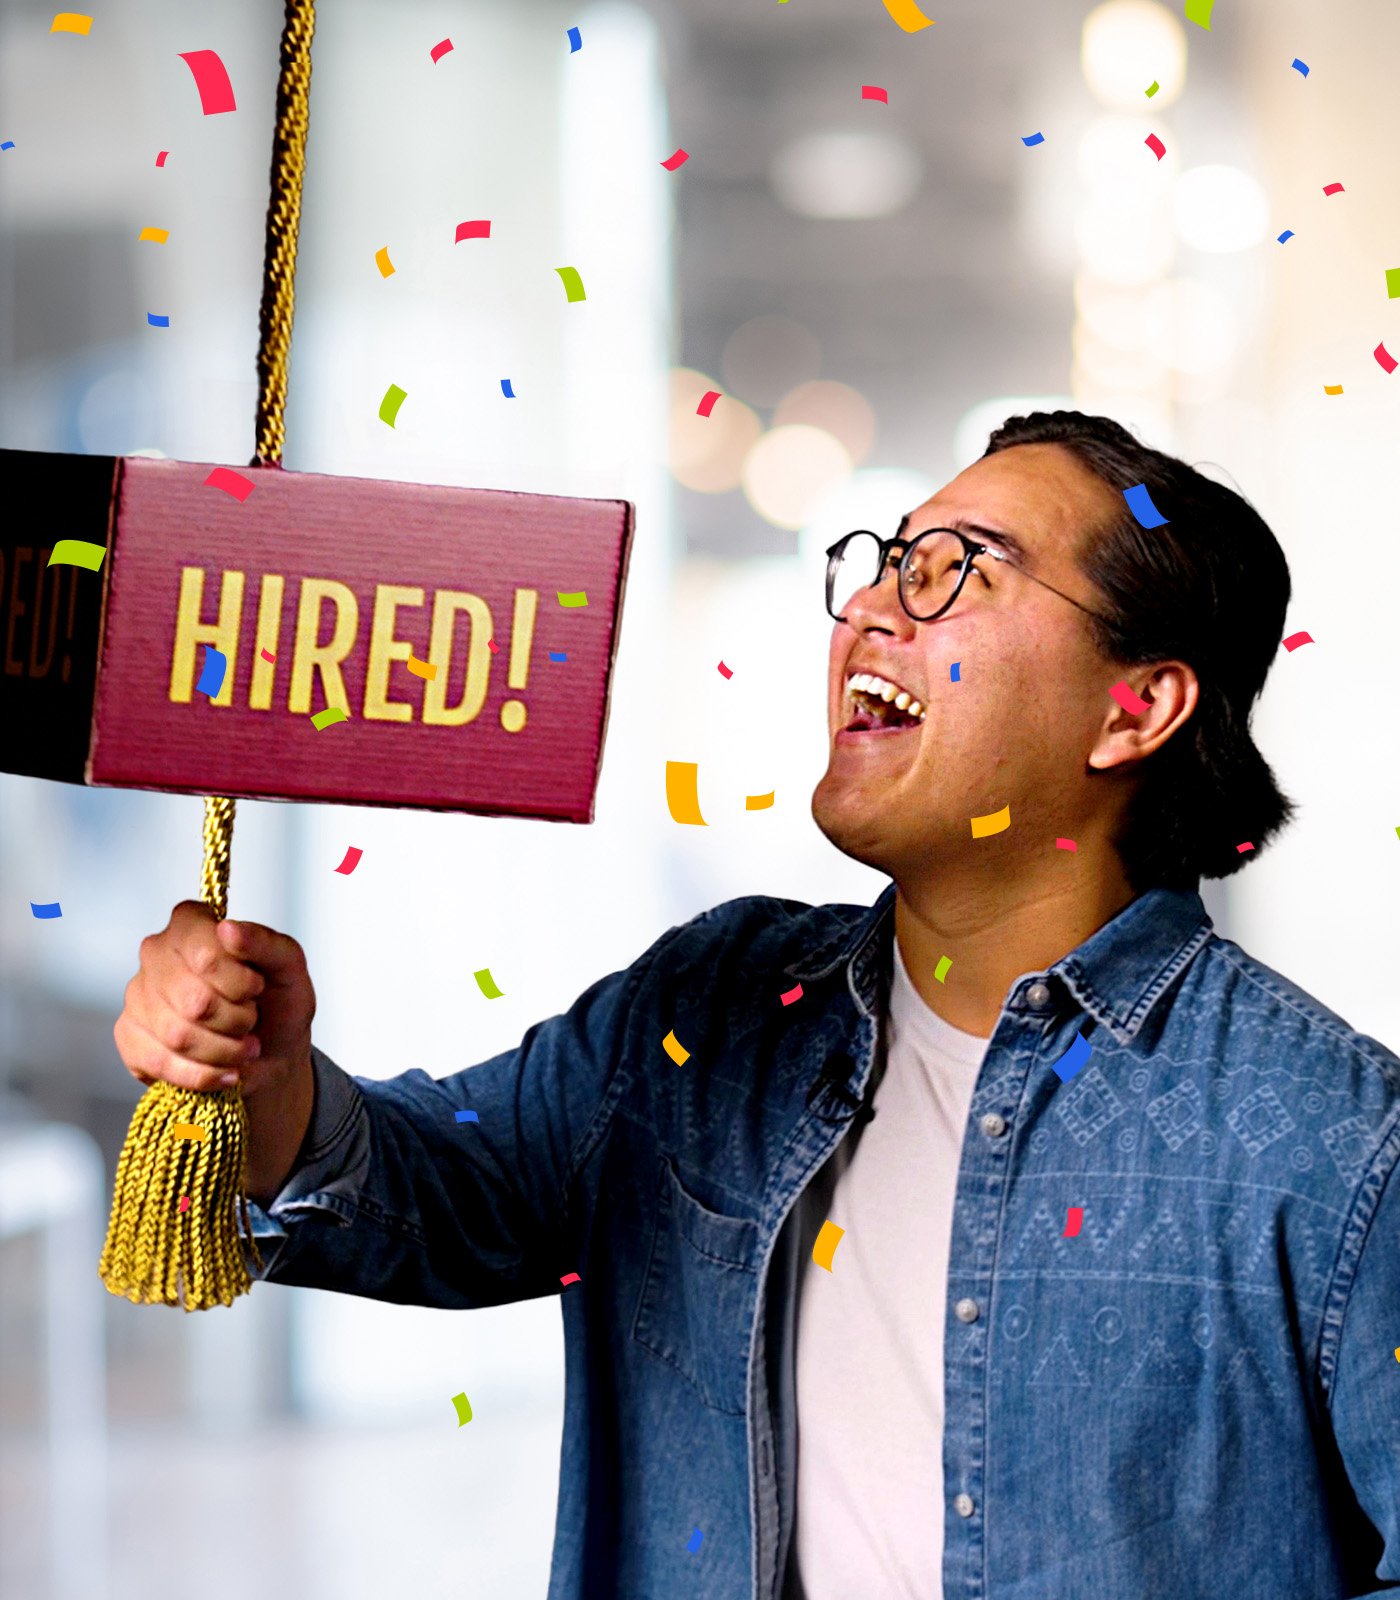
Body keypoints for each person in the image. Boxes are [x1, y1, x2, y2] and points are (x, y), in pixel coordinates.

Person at [113, 410, 1400, 1600]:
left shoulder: (1331, 1144)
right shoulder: (713, 1003)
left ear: (1136, 708)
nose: (875, 613)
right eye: (885, 560)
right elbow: (436, 1198)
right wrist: (263, 1072)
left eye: (960, 570)